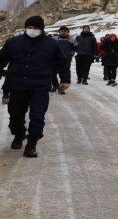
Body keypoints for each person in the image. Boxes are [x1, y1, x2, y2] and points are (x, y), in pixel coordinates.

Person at [0, 16, 70, 157]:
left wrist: (65, 79)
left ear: (41, 29)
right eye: (30, 27)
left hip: (40, 86)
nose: (32, 30)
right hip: (17, 85)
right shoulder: (13, 42)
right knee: (15, 116)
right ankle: (19, 134)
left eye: (36, 28)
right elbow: (1, 60)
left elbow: (62, 62)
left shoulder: (51, 44)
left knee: (37, 116)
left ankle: (32, 144)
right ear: (26, 27)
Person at [51, 26, 77, 94]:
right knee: (52, 73)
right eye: (62, 31)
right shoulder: (54, 39)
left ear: (68, 32)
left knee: (64, 75)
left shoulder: (72, 39)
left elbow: (76, 48)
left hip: (66, 60)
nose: (63, 33)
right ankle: (55, 85)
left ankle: (61, 88)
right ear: (59, 32)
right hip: (54, 59)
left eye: (65, 31)